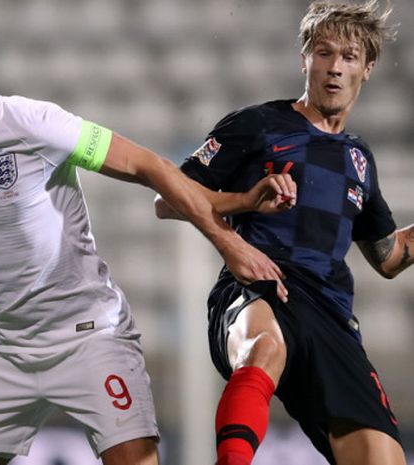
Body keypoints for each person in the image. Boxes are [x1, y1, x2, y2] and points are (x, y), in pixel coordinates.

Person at [0, 8, 295, 465]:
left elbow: (148, 166)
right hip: (10, 347)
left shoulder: (32, 124)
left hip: (89, 334)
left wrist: (226, 239)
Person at [155, 1, 411, 464]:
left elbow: (389, 257)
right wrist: (243, 201)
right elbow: (168, 198)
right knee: (265, 345)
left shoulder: (359, 159)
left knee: (383, 458)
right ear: (304, 59)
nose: (334, 68)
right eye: (324, 53)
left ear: (368, 68)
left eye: (349, 57)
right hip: (259, 285)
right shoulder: (257, 125)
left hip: (330, 315)